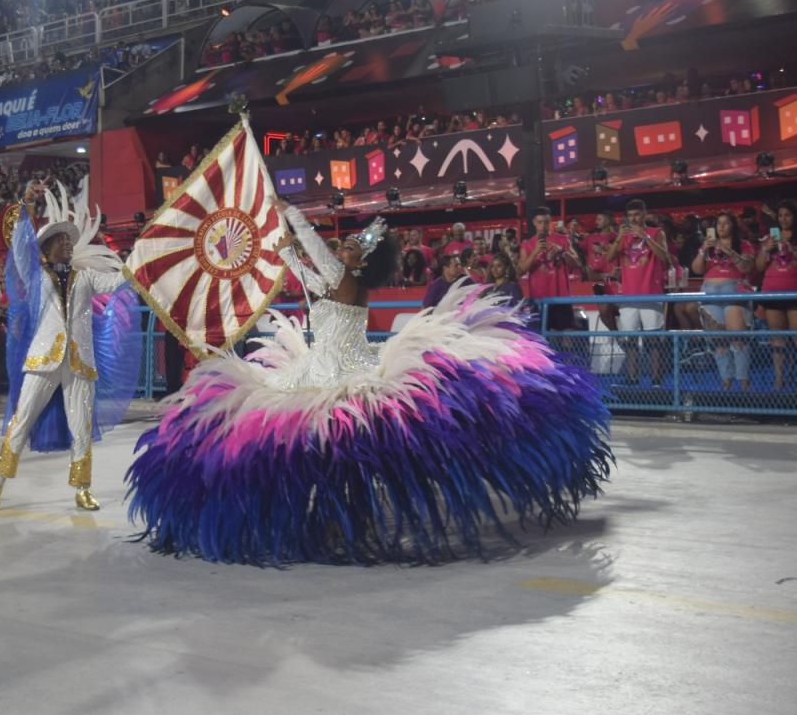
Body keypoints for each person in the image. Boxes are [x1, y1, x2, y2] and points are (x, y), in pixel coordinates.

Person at [125, 200, 611, 566]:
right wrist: (287, 252)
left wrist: (291, 215)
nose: (341, 249)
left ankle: (338, 520)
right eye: (343, 245)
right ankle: (319, 518)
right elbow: (309, 278)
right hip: (314, 369)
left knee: (336, 446)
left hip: (344, 375)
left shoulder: (348, 278)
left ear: (359, 261)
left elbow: (320, 258)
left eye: (349, 247)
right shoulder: (334, 281)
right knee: (297, 450)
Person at [0, 180, 140, 513]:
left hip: (79, 360)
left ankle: (82, 489)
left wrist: (141, 256)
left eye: (70, 240)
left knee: (81, 424)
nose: (70, 244)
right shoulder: (35, 275)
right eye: (64, 240)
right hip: (42, 359)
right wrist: (26, 203)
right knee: (21, 419)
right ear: (49, 246)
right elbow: (20, 245)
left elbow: (116, 281)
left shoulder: (85, 277)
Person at [606, 199, 673, 383]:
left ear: (644, 214)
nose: (634, 219)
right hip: (628, 295)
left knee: (653, 340)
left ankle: (656, 378)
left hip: (651, 293)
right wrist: (619, 237)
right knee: (630, 340)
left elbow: (665, 258)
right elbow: (609, 258)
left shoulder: (656, 233)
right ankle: (632, 377)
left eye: (637, 214)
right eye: (630, 216)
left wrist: (646, 237)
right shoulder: (624, 236)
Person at [755, 199, 797, 393]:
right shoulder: (769, 239)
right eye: (780, 215)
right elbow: (758, 267)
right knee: (778, 339)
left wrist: (793, 249)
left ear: (795, 216)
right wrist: (766, 250)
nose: (783, 219)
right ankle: (779, 381)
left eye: (787, 215)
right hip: (772, 292)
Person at [691, 212, 755, 390]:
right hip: (710, 291)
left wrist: (726, 249)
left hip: (733, 289)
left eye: (726, 223)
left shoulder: (744, 245)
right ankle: (725, 381)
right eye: (719, 223)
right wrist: (704, 249)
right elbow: (696, 269)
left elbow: (746, 267)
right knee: (719, 342)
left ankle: (743, 381)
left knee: (738, 340)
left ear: (733, 226)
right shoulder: (709, 247)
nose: (721, 227)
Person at [518, 207, 581, 331]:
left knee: (566, 337)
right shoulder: (528, 244)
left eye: (546, 222)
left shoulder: (563, 239)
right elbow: (520, 270)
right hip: (539, 298)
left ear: (550, 222)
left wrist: (563, 252)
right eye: (540, 222)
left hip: (561, 296)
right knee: (542, 339)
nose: (543, 226)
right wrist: (535, 252)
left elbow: (577, 264)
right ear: (534, 223)